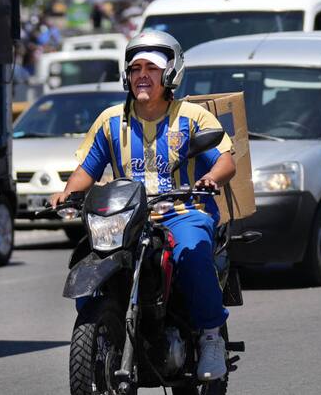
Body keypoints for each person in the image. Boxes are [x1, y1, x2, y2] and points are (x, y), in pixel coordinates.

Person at [50, 29, 236, 381]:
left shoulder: (193, 118)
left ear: (170, 74)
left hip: (182, 213)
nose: (142, 75)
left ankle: (211, 338)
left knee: (193, 255)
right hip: (127, 218)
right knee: (90, 261)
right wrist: (66, 193)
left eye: (151, 68)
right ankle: (103, 329)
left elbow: (226, 161)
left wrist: (212, 178)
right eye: (135, 68)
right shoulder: (110, 121)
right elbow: (87, 169)